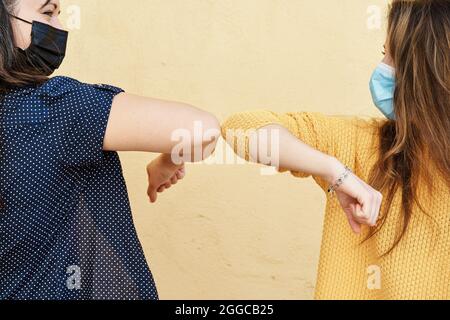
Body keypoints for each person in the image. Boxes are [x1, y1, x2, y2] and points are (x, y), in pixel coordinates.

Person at [221, 0, 450, 299]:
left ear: (427, 74)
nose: (380, 70)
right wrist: (335, 172)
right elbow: (241, 129)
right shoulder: (360, 144)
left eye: (390, 57)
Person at [0, 0, 220, 300]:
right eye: (47, 12)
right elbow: (203, 130)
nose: (62, 28)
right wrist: (167, 161)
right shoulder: (57, 109)